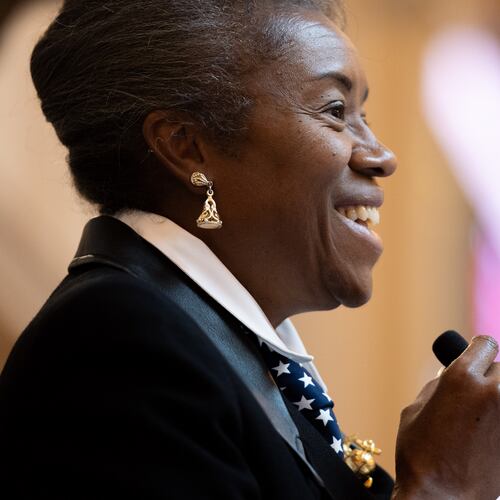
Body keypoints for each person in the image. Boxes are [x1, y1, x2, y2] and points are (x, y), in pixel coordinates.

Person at [0, 1, 499, 498]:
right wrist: (442, 483)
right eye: (335, 111)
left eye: (362, 114)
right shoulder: (115, 345)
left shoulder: (236, 354)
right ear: (186, 146)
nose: (382, 156)